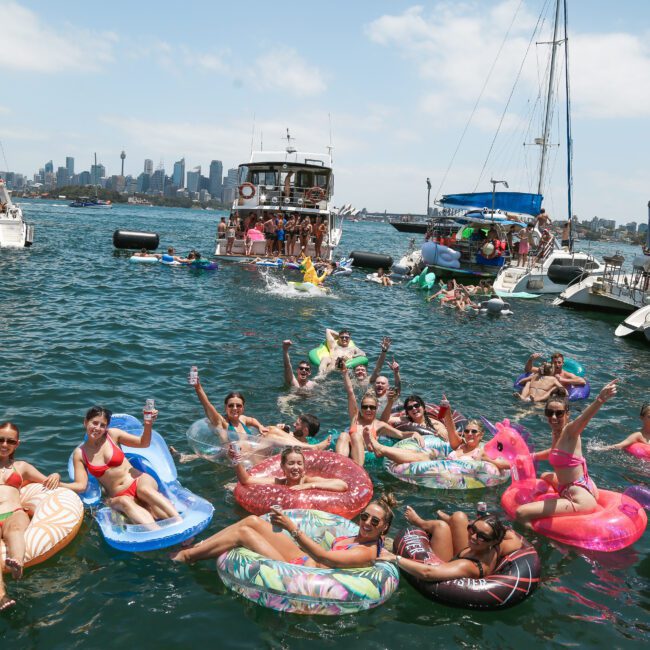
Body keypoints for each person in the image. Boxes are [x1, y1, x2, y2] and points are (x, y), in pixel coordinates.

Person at [170, 493, 397, 567]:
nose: (366, 523)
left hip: (305, 573)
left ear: (384, 527)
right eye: (365, 516)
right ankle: (201, 545)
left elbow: (324, 556)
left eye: (374, 522)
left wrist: (293, 529)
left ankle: (186, 556)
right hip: (304, 558)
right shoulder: (357, 535)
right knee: (252, 521)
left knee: (244, 535)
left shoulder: (367, 551)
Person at [515, 381, 618, 526]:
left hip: (579, 498)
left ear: (567, 414)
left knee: (521, 513)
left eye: (559, 413)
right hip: (578, 485)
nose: (554, 417)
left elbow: (584, 418)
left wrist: (600, 400)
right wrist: (531, 457)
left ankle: (535, 543)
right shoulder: (556, 432)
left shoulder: (570, 431)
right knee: (545, 475)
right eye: (550, 413)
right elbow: (554, 452)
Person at [63, 406, 180, 526]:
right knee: (131, 503)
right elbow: (81, 485)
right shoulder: (80, 453)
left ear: (106, 427)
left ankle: (180, 523)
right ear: (85, 422)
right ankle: (156, 533)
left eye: (102, 425)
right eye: (95, 423)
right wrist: (58, 484)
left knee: (144, 490)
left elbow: (143, 443)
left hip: (138, 481)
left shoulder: (112, 435)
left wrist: (148, 423)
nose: (97, 428)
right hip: (119, 495)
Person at [0, 422, 61, 611]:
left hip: (14, 513)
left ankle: (17, 563)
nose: (4, 444)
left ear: (17, 444)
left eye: (10, 441)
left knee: (16, 529)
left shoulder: (21, 467)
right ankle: (2, 596)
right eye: (0, 439)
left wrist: (57, 474)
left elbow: (47, 481)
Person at [379, 510, 510, 582]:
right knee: (459, 516)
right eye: (473, 529)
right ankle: (452, 521)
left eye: (482, 536)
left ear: (493, 541)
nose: (474, 537)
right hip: (469, 553)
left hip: (447, 565)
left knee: (440, 526)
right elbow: (516, 539)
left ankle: (418, 522)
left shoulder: (468, 567)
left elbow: (427, 573)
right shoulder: (498, 545)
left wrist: (394, 558)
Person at [335, 361, 421, 466]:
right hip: (348, 448)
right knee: (344, 435)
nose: (368, 409)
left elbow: (401, 434)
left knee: (356, 437)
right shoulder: (355, 417)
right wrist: (344, 373)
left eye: (372, 407)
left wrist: (414, 433)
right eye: (365, 407)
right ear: (360, 408)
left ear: (376, 409)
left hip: (363, 454)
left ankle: (357, 469)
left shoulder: (379, 424)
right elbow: (350, 392)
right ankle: (339, 466)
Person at [365, 410, 510, 472]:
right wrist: (446, 410)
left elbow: (506, 464)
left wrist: (487, 460)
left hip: (454, 476)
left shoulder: (483, 450)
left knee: (424, 458)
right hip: (442, 467)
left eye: (474, 432)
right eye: (467, 431)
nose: (469, 434)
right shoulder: (460, 445)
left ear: (481, 435)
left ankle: (381, 449)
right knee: (423, 455)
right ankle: (381, 449)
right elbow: (451, 429)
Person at [230, 445, 346, 492]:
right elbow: (246, 480)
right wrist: (235, 460)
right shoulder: (279, 482)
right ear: (282, 467)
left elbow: (342, 485)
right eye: (291, 463)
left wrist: (308, 486)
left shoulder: (308, 481)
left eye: (299, 463)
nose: (296, 467)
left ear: (304, 467)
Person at [381, 394, 448, 440]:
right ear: (408, 413)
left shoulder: (433, 423)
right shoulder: (405, 420)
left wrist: (441, 432)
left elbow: (443, 431)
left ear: (423, 407)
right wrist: (390, 403)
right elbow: (383, 421)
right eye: (410, 408)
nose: (414, 408)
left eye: (417, 405)